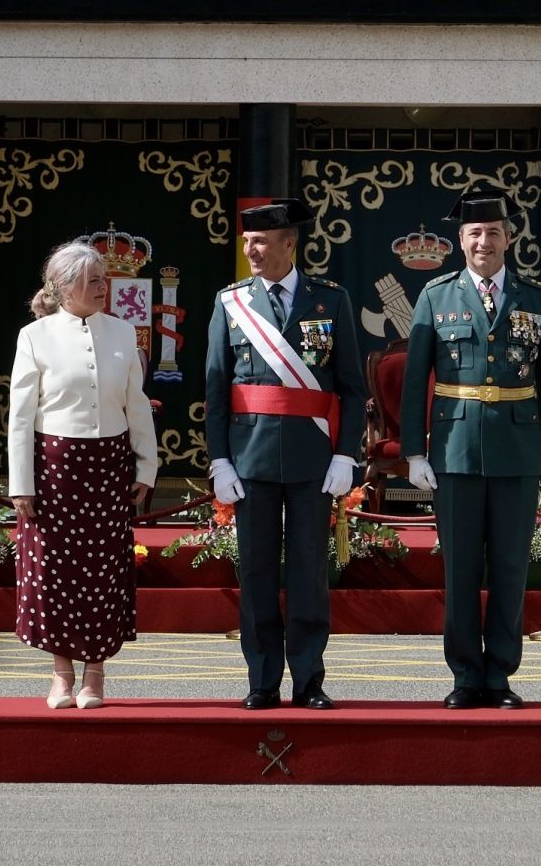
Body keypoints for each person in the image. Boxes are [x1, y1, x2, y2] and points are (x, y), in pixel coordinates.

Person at [401, 188, 541, 709]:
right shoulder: (436, 295)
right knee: (462, 568)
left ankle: (500, 674)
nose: (483, 242)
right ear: (461, 240)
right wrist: (413, 451)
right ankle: (466, 674)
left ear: (508, 240)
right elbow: (414, 381)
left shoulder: (535, 298)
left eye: (493, 233)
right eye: (474, 233)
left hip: (518, 447)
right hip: (455, 449)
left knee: (512, 567)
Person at [204, 199, 365, 710]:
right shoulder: (230, 302)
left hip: (312, 459)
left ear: (289, 244)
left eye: (261, 242)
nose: (250, 250)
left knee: (308, 571)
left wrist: (345, 456)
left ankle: (310, 680)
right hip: (249, 460)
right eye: (247, 241)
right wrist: (220, 460)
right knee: (255, 573)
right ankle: (262, 679)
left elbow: (352, 389)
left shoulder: (330, 300)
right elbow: (215, 388)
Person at [8, 241, 159, 712]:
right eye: (92, 280)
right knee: (56, 573)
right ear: (64, 287)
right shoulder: (34, 336)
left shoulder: (123, 333)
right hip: (55, 470)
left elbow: (137, 404)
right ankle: (61, 674)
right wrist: (21, 483)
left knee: (103, 572)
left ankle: (95, 673)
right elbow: (19, 416)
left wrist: (147, 464)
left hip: (108, 468)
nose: (102, 287)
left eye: (103, 279)